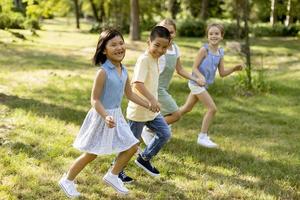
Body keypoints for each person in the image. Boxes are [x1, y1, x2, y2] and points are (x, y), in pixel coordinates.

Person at [58, 29, 153, 198]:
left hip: (116, 116)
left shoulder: (123, 70)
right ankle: (67, 180)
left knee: (132, 145)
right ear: (104, 50)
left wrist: (147, 103)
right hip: (102, 116)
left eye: (121, 43)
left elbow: (129, 94)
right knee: (92, 153)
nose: (119, 47)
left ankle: (113, 175)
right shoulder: (103, 72)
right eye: (113, 44)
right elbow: (94, 100)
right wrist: (105, 116)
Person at [118, 26, 172, 183]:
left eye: (164, 47)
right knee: (131, 144)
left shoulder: (156, 58)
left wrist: (153, 102)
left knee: (165, 133)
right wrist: (152, 100)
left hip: (151, 110)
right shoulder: (144, 59)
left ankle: (144, 158)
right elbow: (137, 84)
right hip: (139, 111)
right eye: (157, 45)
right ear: (148, 42)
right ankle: (117, 169)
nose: (160, 50)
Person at [141, 19, 203, 144]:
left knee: (161, 114)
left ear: (175, 33)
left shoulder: (175, 48)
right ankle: (149, 129)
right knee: (176, 114)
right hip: (156, 88)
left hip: (164, 88)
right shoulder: (156, 50)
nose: (168, 35)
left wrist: (195, 79)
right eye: (164, 31)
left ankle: (156, 129)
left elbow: (180, 70)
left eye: (171, 32)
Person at [181, 23, 243, 148]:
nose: (213, 36)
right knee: (212, 109)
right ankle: (202, 137)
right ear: (207, 36)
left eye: (216, 33)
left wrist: (234, 68)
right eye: (211, 34)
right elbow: (194, 68)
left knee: (186, 108)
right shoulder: (204, 50)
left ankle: (163, 123)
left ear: (222, 36)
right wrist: (200, 77)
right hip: (196, 83)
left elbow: (222, 73)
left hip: (203, 86)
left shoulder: (220, 52)